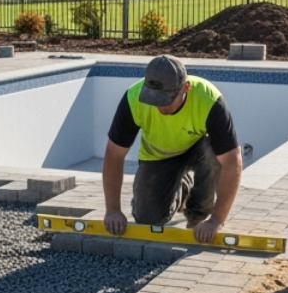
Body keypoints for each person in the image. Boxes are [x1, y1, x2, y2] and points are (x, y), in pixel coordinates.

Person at [102, 55, 243, 244]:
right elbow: (114, 154)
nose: (160, 106)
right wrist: (112, 210)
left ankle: (197, 215)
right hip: (159, 157)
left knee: (214, 151)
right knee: (148, 220)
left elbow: (232, 161)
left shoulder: (209, 99)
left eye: (166, 99)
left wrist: (217, 220)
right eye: (154, 98)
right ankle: (181, 185)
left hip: (197, 150)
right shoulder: (133, 98)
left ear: (185, 88)